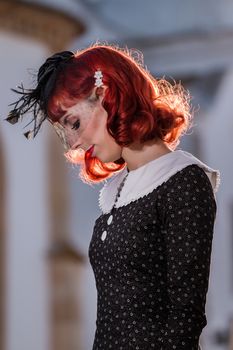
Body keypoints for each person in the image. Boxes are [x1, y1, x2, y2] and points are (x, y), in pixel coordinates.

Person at [6, 44, 220, 350]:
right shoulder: (117, 190)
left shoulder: (182, 179)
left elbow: (185, 320)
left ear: (108, 94)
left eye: (75, 123)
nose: (74, 143)